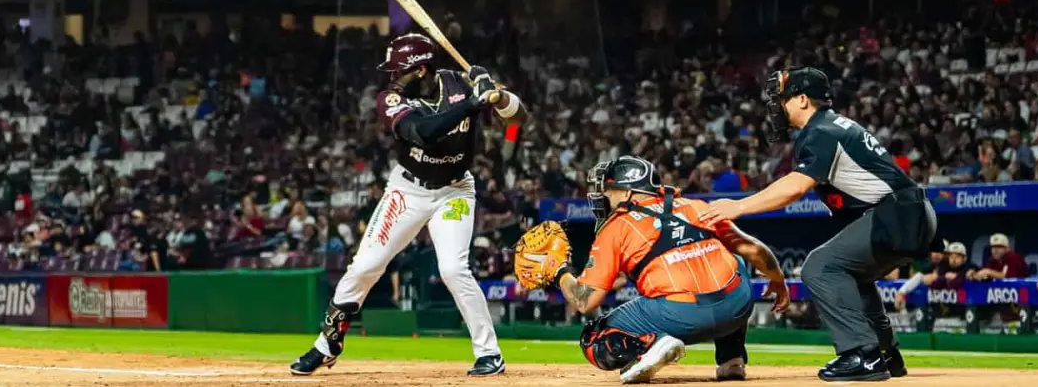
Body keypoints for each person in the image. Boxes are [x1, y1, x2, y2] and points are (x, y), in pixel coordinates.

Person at [290, 33, 527, 377]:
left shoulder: (459, 83)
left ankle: (489, 353)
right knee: (365, 266)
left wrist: (496, 94)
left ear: (421, 71)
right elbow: (422, 131)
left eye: (399, 72)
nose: (391, 78)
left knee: (453, 269)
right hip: (407, 191)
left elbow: (519, 119)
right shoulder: (390, 100)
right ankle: (326, 345)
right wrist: (472, 104)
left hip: (455, 190)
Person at [701, 68, 937, 382]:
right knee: (854, 277)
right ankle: (887, 354)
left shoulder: (821, 130)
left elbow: (795, 186)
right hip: (909, 211)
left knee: (820, 267)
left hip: (898, 214)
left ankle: (862, 356)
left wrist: (739, 206)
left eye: (783, 100)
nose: (778, 107)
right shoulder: (833, 125)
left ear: (802, 99)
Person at [521, 155, 789, 384]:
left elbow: (585, 299)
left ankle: (651, 345)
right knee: (734, 261)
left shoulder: (617, 226)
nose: (603, 195)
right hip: (737, 305)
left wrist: (559, 271)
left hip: (681, 316)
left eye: (608, 190)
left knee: (593, 337)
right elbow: (754, 250)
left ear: (626, 192)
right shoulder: (695, 206)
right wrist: (777, 280)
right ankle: (732, 360)